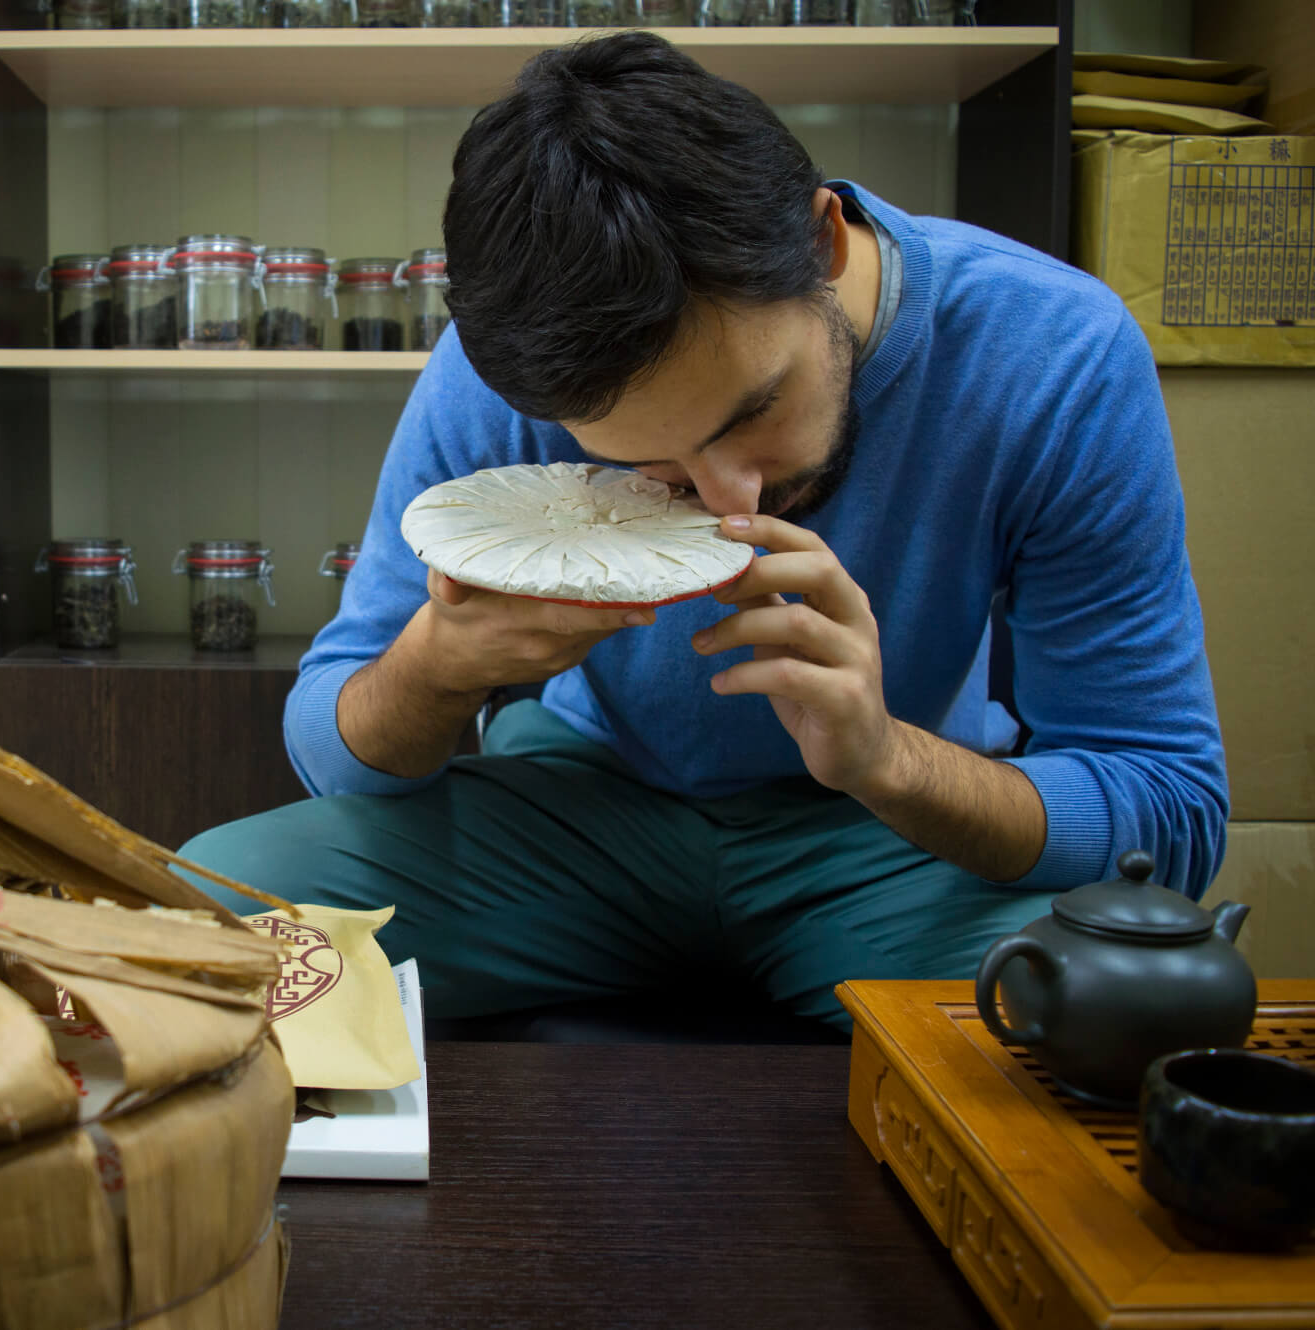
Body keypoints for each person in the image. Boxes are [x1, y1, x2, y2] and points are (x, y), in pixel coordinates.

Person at [178, 32, 1228, 1031]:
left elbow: (1166, 812)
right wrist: (437, 666)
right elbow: (332, 744)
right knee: (196, 925)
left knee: (1125, 996)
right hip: (578, 816)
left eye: (752, 413)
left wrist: (884, 758)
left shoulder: (1051, 353)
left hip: (882, 841)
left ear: (819, 241)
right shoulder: (504, 365)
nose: (731, 502)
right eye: (653, 469)